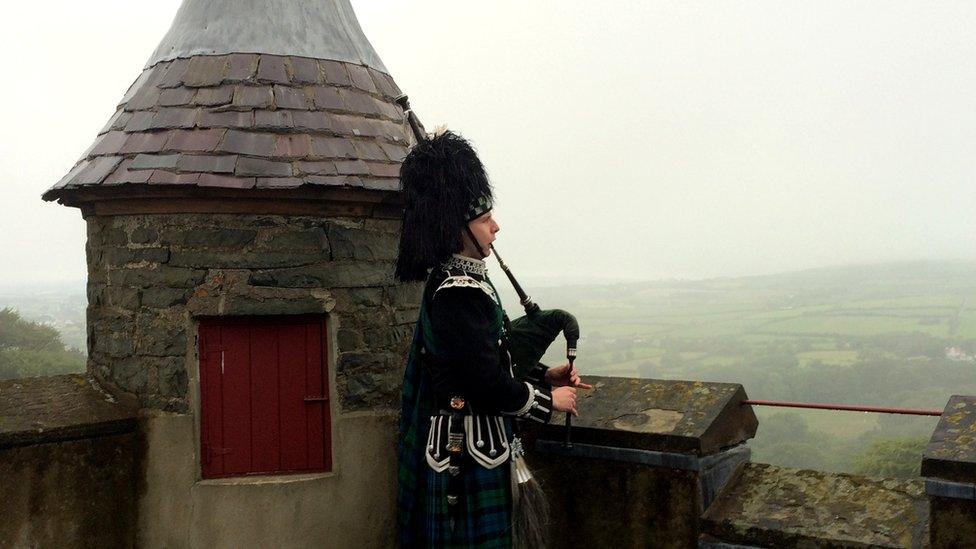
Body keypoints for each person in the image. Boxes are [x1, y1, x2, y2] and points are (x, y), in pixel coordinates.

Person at [394, 130, 588, 548]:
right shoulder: (459, 290)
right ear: (459, 228)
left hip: (471, 444)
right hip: (466, 451)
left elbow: (482, 355)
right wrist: (546, 401)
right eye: (485, 220)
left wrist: (542, 374)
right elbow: (481, 379)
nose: (496, 227)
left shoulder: (458, 281)